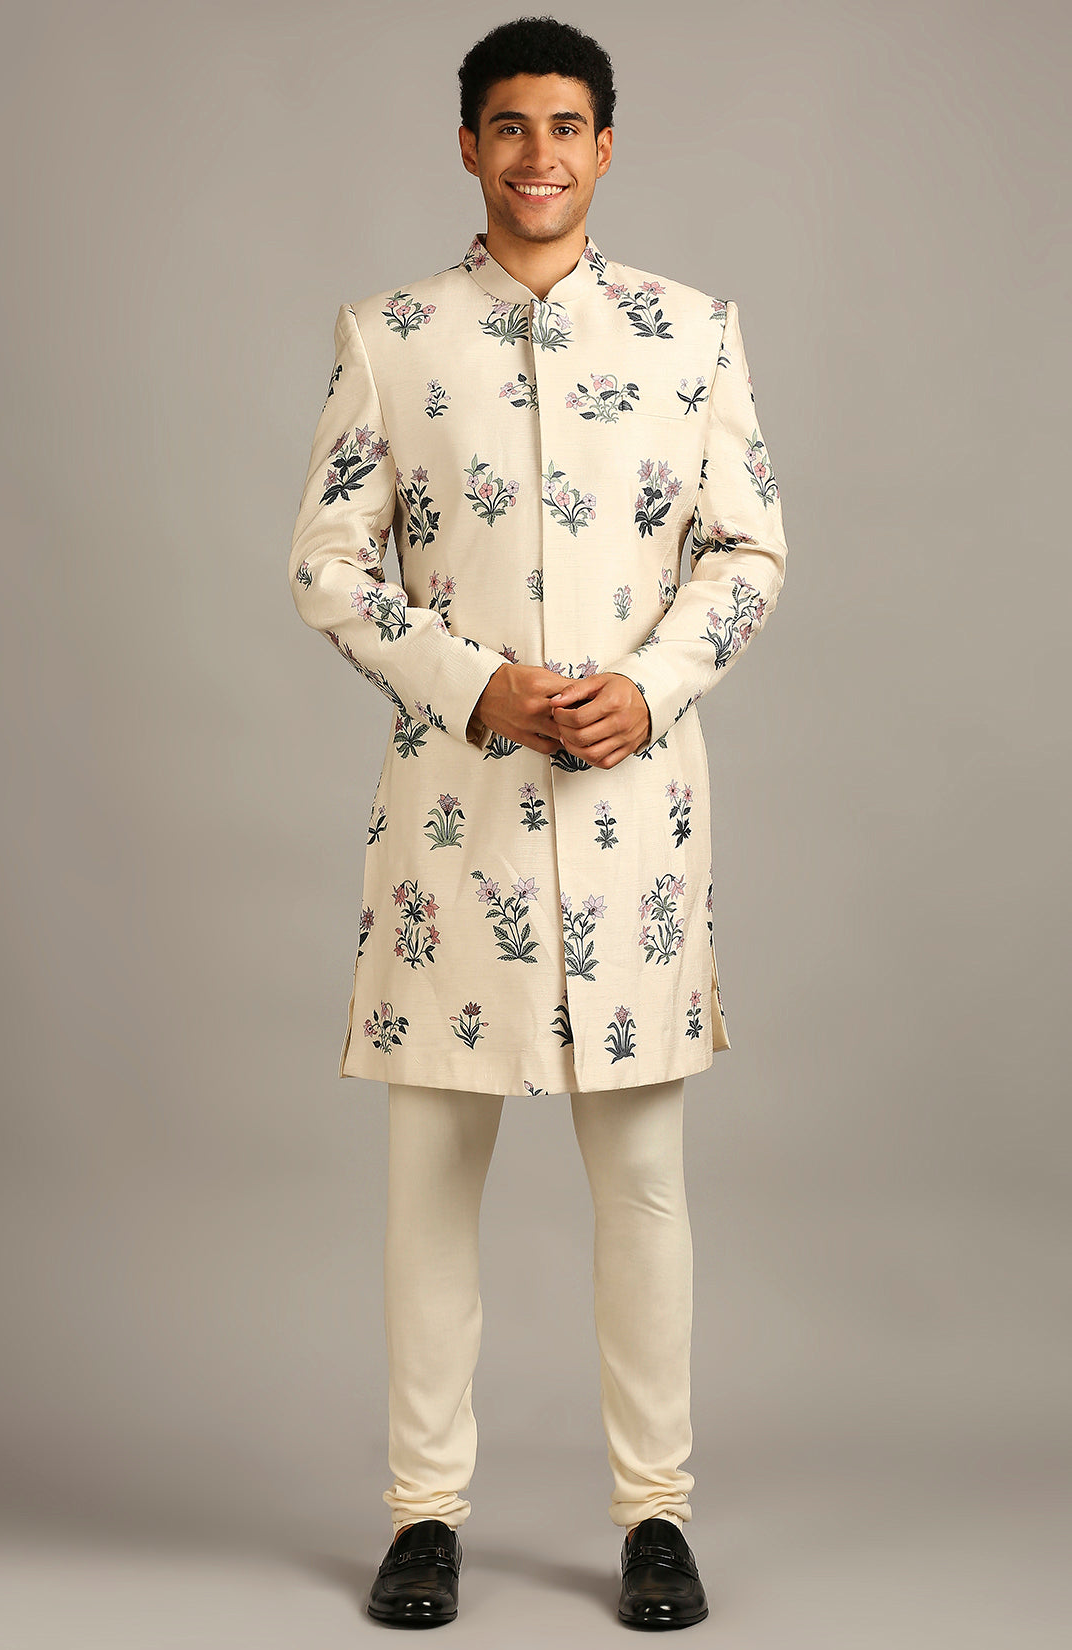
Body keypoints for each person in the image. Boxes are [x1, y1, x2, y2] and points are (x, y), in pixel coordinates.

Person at [288, 14, 788, 1631]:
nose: (539, 155)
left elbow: (750, 548)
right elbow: (327, 564)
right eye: (509, 125)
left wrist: (653, 684)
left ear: (607, 145)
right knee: (431, 1187)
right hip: (457, 830)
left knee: (642, 1185)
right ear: (468, 145)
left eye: (567, 126)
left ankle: (657, 1518)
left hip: (635, 826)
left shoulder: (691, 333)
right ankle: (423, 1516)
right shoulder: (392, 335)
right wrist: (471, 683)